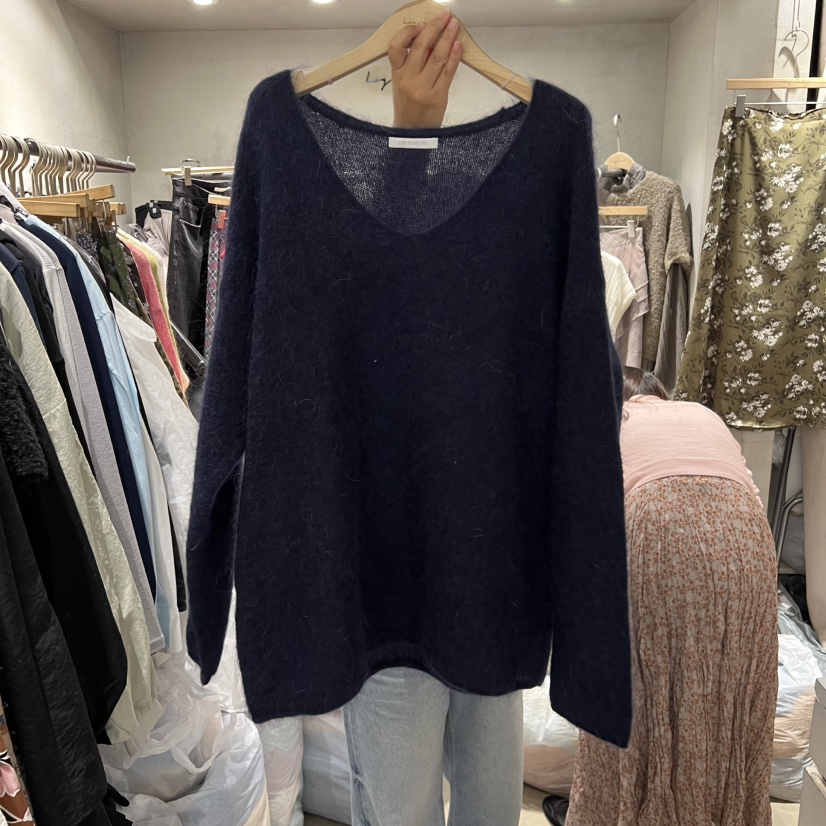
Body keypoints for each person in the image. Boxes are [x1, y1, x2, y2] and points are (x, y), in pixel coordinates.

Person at [341, 12, 525, 826]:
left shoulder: (512, 245)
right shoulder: (353, 250)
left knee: (477, 803)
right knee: (408, 805)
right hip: (399, 602)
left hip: (485, 586)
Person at [563, 368, 778, 826]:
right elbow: (750, 494)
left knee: (634, 688)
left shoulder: (611, 418)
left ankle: (620, 813)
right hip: (749, 538)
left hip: (656, 524)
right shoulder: (702, 414)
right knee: (730, 691)